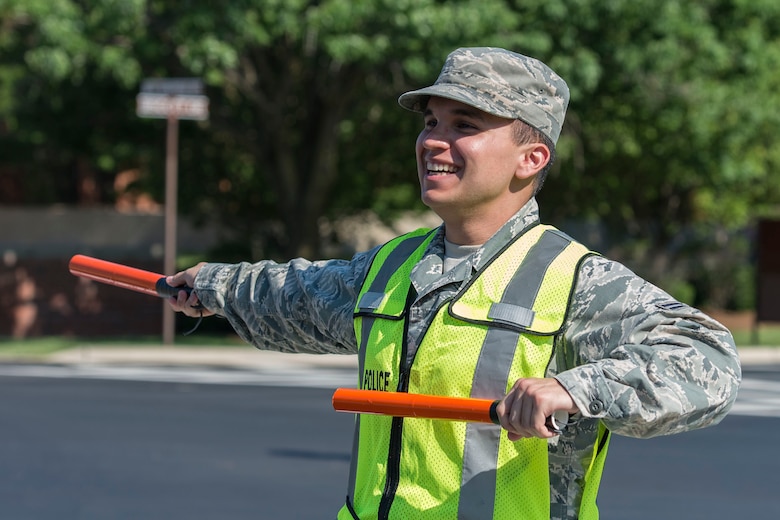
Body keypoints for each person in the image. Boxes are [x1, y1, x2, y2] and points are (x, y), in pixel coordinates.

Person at [167, 47, 741, 520]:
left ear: (530, 157)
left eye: (464, 126)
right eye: (430, 123)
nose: (432, 141)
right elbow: (295, 296)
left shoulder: (576, 281)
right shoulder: (391, 267)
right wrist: (212, 285)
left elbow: (708, 359)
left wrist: (575, 389)